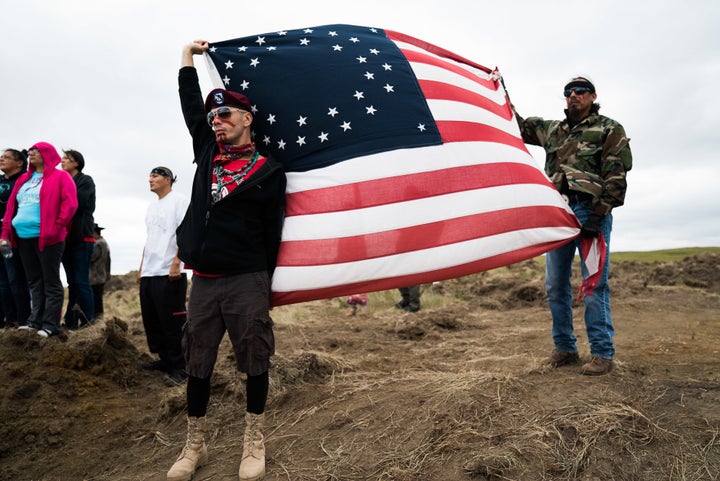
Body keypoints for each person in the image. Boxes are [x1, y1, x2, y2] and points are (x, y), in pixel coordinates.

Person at [166, 40, 286, 481]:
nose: (216, 122)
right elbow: (188, 104)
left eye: (225, 115)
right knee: (197, 359)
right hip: (205, 281)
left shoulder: (270, 171)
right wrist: (186, 57)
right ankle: (193, 444)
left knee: (255, 357)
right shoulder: (206, 152)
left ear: (247, 119)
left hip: (247, 279)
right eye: (212, 116)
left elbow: (274, 233)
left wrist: (265, 286)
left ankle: (253, 439)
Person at [512, 76, 632, 376]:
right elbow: (516, 125)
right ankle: (564, 348)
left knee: (594, 284)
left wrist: (598, 215)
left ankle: (602, 353)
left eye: (580, 91)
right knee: (554, 284)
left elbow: (617, 175)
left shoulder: (608, 128)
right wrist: (496, 91)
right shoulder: (552, 129)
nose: (573, 96)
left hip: (590, 210)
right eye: (568, 92)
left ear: (592, 96)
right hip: (557, 212)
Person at [0, 142, 78, 337]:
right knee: (34, 281)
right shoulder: (24, 179)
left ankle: (50, 324)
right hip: (23, 237)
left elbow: (70, 204)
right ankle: (34, 321)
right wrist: (5, 234)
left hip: (48, 238)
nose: (31, 154)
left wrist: (56, 227)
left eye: (36, 151)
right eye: (30, 152)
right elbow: (10, 208)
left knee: (50, 281)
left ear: (47, 154)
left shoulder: (61, 177)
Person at [138, 166, 189, 388]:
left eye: (155, 175)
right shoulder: (151, 207)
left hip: (169, 272)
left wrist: (177, 262)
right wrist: (141, 267)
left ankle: (181, 367)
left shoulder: (179, 201)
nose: (150, 179)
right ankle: (164, 360)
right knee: (153, 320)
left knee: (172, 322)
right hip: (150, 271)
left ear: (168, 179)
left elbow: (185, 233)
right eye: (150, 176)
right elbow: (149, 238)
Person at [60, 149, 96, 329]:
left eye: (67, 158)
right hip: (65, 239)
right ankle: (71, 322)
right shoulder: (60, 180)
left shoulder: (85, 180)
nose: (62, 160)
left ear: (76, 163)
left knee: (81, 281)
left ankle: (88, 322)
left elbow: (77, 202)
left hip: (82, 237)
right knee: (72, 283)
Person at [0, 149, 31, 328]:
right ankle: (9, 320)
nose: (1, 159)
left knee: (15, 279)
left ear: (19, 162)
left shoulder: (25, 181)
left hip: (14, 235)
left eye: (6, 157)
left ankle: (23, 319)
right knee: (2, 281)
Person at [89, 223, 111, 320]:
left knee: (96, 300)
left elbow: (92, 258)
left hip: (95, 277)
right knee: (98, 299)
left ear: (95, 232)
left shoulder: (98, 244)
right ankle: (98, 318)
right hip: (101, 276)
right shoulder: (104, 243)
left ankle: (97, 319)